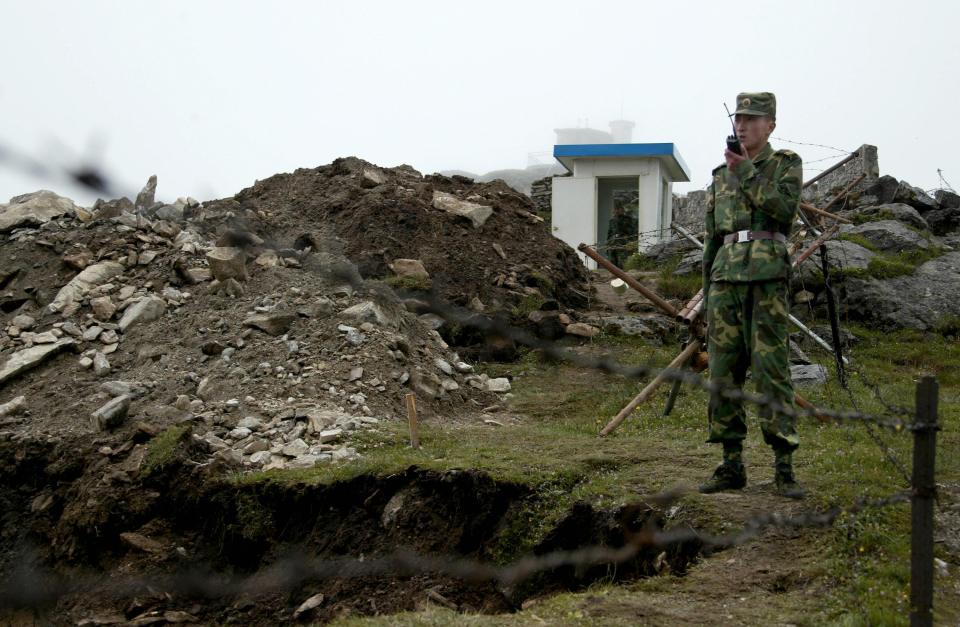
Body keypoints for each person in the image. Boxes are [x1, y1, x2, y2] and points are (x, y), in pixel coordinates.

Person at [699, 92, 805, 499]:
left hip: (766, 278)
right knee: (723, 372)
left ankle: (784, 467)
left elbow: (782, 209)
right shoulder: (718, 175)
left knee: (770, 369)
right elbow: (712, 240)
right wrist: (707, 294)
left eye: (753, 119)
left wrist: (745, 172)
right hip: (725, 279)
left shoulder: (784, 164)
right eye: (739, 118)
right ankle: (731, 464)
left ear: (771, 125)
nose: (742, 125)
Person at [606, 199, 638, 268]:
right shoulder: (612, 221)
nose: (616, 211)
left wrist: (631, 242)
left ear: (622, 210)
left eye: (619, 209)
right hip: (613, 243)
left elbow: (632, 232)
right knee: (612, 262)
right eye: (615, 209)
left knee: (622, 263)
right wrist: (608, 244)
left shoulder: (628, 220)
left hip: (623, 244)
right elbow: (609, 233)